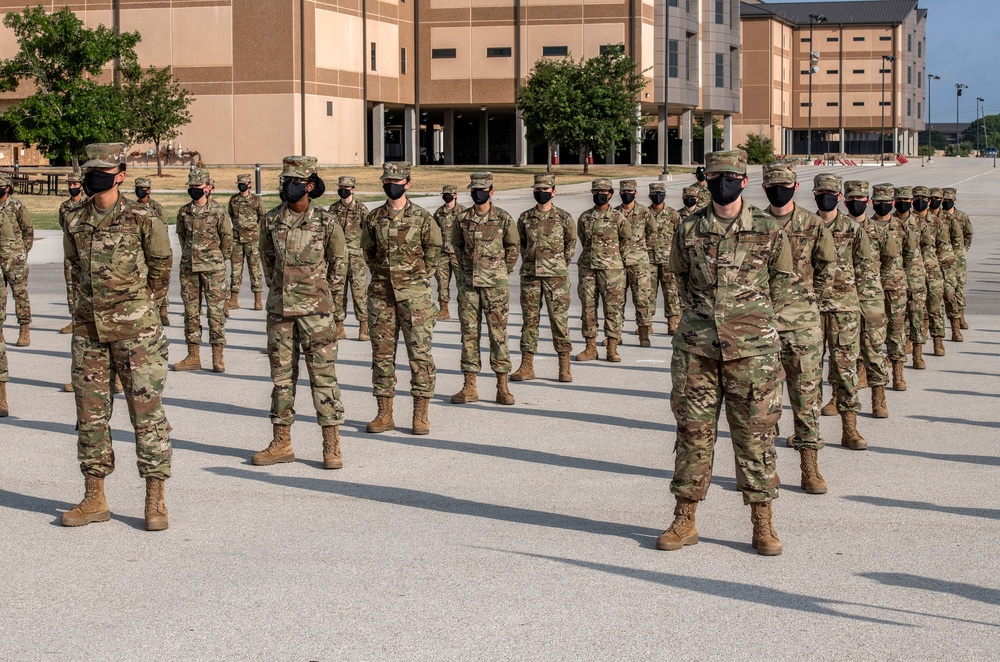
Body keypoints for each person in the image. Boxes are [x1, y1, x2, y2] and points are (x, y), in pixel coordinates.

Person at [657, 150, 793, 556]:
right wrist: (703, 317)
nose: (722, 183)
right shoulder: (688, 228)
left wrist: (751, 319)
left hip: (754, 353)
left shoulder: (768, 228)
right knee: (692, 435)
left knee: (756, 438)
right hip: (697, 350)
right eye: (715, 177)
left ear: (744, 180)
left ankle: (762, 521)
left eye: (730, 176)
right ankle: (685, 519)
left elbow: (783, 283)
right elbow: (678, 276)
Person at [59, 142, 173, 531]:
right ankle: (95, 496)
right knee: (90, 416)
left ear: (120, 174)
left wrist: (146, 309)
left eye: (101, 170)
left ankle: (154, 496)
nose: (93, 177)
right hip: (90, 332)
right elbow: (73, 268)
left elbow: (161, 266)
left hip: (137, 332)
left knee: (147, 415)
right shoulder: (73, 219)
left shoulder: (142, 217)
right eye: (89, 170)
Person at [251, 156, 348, 470]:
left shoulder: (326, 221)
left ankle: (331, 445)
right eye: (285, 180)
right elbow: (266, 258)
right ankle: (282, 442)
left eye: (295, 181)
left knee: (324, 378)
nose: (287, 186)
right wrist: (278, 288)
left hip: (317, 314)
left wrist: (326, 298)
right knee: (281, 379)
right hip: (280, 311)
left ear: (309, 185)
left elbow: (339, 263)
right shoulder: (270, 220)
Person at [761, 161, 835, 492]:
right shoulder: (754, 224)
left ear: (795, 188)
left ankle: (810, 468)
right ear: (764, 188)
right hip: (763, 326)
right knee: (764, 404)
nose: (779, 191)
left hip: (803, 326)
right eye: (773, 186)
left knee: (806, 401)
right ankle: (765, 468)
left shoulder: (812, 223)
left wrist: (811, 300)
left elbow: (827, 264)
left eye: (785, 185)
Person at [361, 162, 441, 435]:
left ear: (408, 183)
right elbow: (368, 253)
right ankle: (385, 413)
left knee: (420, 354)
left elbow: (433, 251)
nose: (391, 185)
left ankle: (420, 414)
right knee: (382, 355)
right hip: (382, 295)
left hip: (415, 297)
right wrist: (384, 277)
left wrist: (420, 278)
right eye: (387, 181)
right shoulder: (373, 218)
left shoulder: (422, 217)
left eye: (397, 181)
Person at [813, 173, 871, 450]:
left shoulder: (852, 228)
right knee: (807, 375)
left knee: (846, 370)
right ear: (814, 195)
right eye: (821, 192)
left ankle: (850, 429)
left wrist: (870, 309)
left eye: (831, 193)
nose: (826, 197)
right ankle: (808, 431)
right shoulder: (805, 226)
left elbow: (866, 268)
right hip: (809, 310)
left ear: (839, 197)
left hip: (845, 309)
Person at [451, 172, 519, 405]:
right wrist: (465, 270)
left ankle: (502, 387)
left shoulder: (503, 218)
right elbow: (456, 245)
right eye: (473, 190)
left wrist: (501, 271)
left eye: (481, 190)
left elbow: (513, 247)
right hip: (469, 286)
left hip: (495, 287)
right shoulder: (462, 219)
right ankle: (469, 386)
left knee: (498, 335)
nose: (477, 194)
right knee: (469, 335)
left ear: (491, 191)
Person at [511, 174, 575, 383]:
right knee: (529, 321)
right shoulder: (525, 217)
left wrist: (558, 264)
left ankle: (564, 366)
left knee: (559, 321)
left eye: (546, 190)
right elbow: (520, 243)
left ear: (553, 192)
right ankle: (527, 365)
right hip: (530, 276)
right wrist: (529, 260)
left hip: (556, 277)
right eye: (538, 189)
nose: (541, 193)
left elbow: (570, 243)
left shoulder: (564, 218)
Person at [844, 180, 897, 418]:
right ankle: (840, 397)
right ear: (845, 201)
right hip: (843, 297)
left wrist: (875, 285)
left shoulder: (879, 231)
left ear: (868, 201)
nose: (856, 203)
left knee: (873, 349)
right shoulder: (837, 229)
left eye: (860, 199)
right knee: (843, 353)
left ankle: (879, 398)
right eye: (851, 199)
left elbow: (890, 260)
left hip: (871, 298)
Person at [172, 168, 233, 373]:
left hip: (213, 269)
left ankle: (218, 357)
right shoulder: (183, 211)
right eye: (191, 187)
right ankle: (193, 356)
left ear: (207, 188)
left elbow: (227, 239)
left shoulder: (218, 211)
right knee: (191, 313)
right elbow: (181, 236)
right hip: (189, 268)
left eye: (197, 187)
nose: (193, 190)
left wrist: (218, 259)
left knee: (215, 314)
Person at [575, 178, 630, 363]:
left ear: (610, 195)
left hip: (612, 271)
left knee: (613, 309)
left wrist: (612, 258)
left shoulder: (618, 218)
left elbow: (626, 241)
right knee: (588, 309)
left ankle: (612, 348)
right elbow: (583, 239)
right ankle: (590, 348)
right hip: (588, 269)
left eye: (603, 192)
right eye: (596, 192)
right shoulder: (585, 217)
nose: (599, 195)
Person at [328, 176, 369, 340]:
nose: (343, 190)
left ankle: (363, 326)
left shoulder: (361, 209)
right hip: (338, 257)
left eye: (346, 187)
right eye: (341, 187)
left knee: (359, 293)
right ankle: (339, 326)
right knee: (337, 292)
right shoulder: (333, 209)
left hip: (356, 258)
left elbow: (368, 233)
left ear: (353, 189)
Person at [615, 179, 655, 347]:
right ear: (619, 194)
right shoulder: (614, 213)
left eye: (630, 192)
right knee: (616, 301)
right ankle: (615, 335)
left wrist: (642, 250)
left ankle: (644, 335)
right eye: (624, 192)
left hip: (639, 263)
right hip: (618, 263)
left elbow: (652, 233)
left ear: (636, 193)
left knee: (642, 300)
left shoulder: (645, 212)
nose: (627, 195)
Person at [893, 186, 928, 370]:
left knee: (916, 316)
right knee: (897, 319)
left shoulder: (921, 224)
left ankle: (917, 354)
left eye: (907, 200)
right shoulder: (889, 223)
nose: (903, 203)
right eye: (900, 200)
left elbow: (927, 249)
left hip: (915, 277)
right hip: (894, 279)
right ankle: (898, 358)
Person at [911, 186, 948, 358]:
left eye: (924, 199)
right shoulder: (903, 222)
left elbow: (944, 247)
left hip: (933, 272)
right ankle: (915, 349)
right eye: (917, 198)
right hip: (912, 273)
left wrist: (940, 266)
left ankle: (938, 341)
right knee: (914, 310)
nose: (921, 202)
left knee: (935, 308)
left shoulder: (937, 222)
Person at [0, 172, 33, 347]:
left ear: (8, 188)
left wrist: (22, 252)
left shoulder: (16, 205)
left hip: (15, 258)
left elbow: (28, 230)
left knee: (20, 294)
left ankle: (24, 330)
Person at [647, 182, 683, 335]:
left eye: (660, 193)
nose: (657, 196)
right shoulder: (644, 214)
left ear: (665, 196)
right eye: (654, 194)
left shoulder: (673, 214)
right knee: (648, 293)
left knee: (671, 293)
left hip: (669, 260)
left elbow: (680, 237)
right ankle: (646, 324)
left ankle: (672, 323)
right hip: (649, 261)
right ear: (649, 196)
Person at [134, 177, 170, 325]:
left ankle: (163, 309)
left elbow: (163, 229)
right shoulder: (133, 207)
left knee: (160, 280)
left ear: (149, 190)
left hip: (155, 247)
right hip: (140, 250)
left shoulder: (157, 207)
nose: (139, 190)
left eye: (142, 188)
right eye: (137, 187)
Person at [228, 173, 267, 313]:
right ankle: (234, 299)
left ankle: (257, 299)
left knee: (255, 270)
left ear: (250, 185)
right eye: (240, 183)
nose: (242, 185)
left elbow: (262, 217)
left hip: (253, 241)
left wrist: (255, 230)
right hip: (237, 239)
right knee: (235, 270)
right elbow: (231, 215)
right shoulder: (233, 200)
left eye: (244, 183)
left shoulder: (256, 200)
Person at [58, 175, 87, 335]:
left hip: (85, 253)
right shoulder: (64, 207)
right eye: (70, 184)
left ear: (81, 186)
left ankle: (88, 321)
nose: (72, 186)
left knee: (86, 287)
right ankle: (74, 320)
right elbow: (63, 226)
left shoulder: (88, 205)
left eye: (75, 183)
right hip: (70, 253)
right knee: (71, 288)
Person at [940, 187, 970, 336]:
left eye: (949, 201)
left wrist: (962, 251)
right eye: (944, 200)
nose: (946, 203)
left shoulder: (961, 216)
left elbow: (968, 234)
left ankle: (960, 317)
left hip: (958, 258)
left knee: (958, 287)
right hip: (942, 257)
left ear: (954, 200)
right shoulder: (938, 217)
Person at [433, 185, 466, 320]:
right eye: (445, 194)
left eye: (449, 194)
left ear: (455, 195)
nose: (447, 196)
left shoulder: (463, 211)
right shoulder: (439, 212)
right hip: (443, 253)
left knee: (462, 282)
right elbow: (434, 231)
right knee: (442, 282)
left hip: (458, 253)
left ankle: (465, 308)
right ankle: (444, 309)